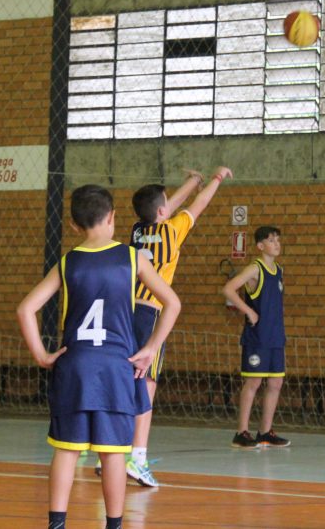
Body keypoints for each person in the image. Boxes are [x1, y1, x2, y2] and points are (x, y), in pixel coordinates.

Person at [16, 185, 181, 529]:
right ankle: (114, 524)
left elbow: (26, 309)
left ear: (74, 226)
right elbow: (173, 303)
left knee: (66, 449)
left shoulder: (67, 262)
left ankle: (57, 524)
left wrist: (43, 356)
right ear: (112, 217)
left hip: (75, 365)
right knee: (113, 453)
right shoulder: (133, 257)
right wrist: (150, 348)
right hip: (115, 368)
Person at [98, 166, 232, 486]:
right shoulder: (173, 231)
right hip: (150, 315)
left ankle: (112, 453)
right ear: (162, 211)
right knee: (146, 387)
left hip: (123, 313)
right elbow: (196, 206)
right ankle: (138, 459)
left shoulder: (135, 230)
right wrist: (213, 180)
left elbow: (164, 208)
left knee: (123, 383)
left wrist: (192, 181)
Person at [224, 225, 290, 449]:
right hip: (257, 337)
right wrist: (249, 311)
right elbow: (229, 289)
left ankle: (265, 432)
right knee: (253, 381)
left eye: (278, 240)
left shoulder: (279, 270)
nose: (277, 244)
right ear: (260, 246)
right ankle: (241, 432)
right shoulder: (255, 268)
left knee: (276, 382)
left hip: (275, 336)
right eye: (272, 240)